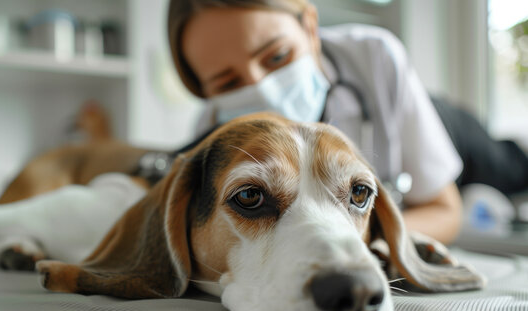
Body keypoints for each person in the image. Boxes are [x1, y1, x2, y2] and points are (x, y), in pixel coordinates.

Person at [166, 0, 528, 245]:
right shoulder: (213, 135)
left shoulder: (374, 56)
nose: (264, 87)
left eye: (277, 56)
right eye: (229, 84)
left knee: (513, 167)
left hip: (447, 128)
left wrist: (342, 243)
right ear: (206, 93)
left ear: (309, 27)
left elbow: (445, 212)